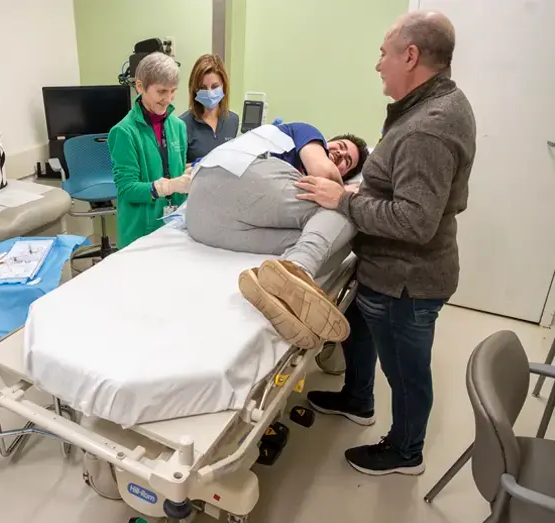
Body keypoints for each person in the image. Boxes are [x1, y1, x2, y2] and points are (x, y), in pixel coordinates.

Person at [293, 11, 476, 476]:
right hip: (381, 271)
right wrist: (361, 193)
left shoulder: (427, 128)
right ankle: (357, 398)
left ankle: (405, 450)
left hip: (406, 282)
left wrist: (344, 201)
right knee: (360, 332)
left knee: (406, 372)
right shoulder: (425, 107)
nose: (378, 64)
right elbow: (405, 190)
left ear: (410, 56)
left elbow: (416, 222)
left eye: (383, 53)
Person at [185, 124, 369, 348]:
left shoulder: (292, 208)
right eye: (339, 147)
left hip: (202, 223)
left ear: (346, 174)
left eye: (346, 162)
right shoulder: (306, 132)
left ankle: (281, 298)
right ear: (324, 141)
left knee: (336, 241)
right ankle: (297, 268)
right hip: (232, 175)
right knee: (350, 210)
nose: (339, 154)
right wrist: (344, 191)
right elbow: (324, 172)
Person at [109, 52, 192, 249]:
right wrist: (167, 187)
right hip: (140, 232)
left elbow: (176, 169)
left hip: (174, 228)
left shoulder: (178, 126)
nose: (168, 99)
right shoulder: (123, 132)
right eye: (161, 91)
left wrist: (188, 175)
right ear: (140, 86)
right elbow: (127, 189)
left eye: (173, 91)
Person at [179, 54, 239, 164]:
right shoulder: (182, 125)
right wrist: (197, 166)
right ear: (194, 89)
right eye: (203, 88)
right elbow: (175, 170)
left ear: (224, 86)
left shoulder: (233, 120)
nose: (210, 93)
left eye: (215, 86)